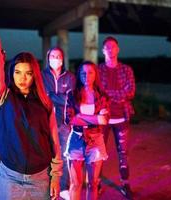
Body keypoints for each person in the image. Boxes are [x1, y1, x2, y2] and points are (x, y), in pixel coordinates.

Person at [0, 9, 63, 200]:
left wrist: (56, 177)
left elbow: (54, 141)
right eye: (17, 72)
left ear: (34, 74)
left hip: (40, 178)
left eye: (27, 73)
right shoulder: (4, 98)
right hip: (10, 177)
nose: (22, 78)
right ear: (11, 73)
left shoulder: (45, 103)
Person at [64, 61, 109, 200]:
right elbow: (70, 120)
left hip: (95, 140)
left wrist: (80, 117)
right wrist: (95, 118)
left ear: (95, 74)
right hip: (76, 139)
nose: (86, 76)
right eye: (83, 73)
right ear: (79, 75)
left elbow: (104, 120)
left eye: (90, 72)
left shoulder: (101, 95)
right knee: (75, 184)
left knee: (93, 184)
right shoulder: (72, 94)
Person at [98, 36, 135, 199]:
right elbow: (100, 92)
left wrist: (110, 95)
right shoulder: (99, 70)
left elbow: (131, 91)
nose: (111, 50)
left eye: (113, 47)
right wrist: (120, 95)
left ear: (118, 49)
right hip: (103, 118)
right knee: (99, 152)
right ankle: (96, 182)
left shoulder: (126, 70)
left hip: (122, 117)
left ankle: (125, 184)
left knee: (123, 153)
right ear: (103, 50)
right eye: (107, 47)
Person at [42, 47, 76, 199]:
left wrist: (52, 95)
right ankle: (46, 186)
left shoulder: (70, 77)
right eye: (53, 56)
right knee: (46, 155)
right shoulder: (42, 76)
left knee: (63, 155)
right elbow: (43, 96)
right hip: (45, 121)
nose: (55, 58)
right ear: (48, 58)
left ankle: (63, 187)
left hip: (64, 123)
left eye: (58, 56)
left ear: (63, 59)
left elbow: (70, 100)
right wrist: (59, 97)